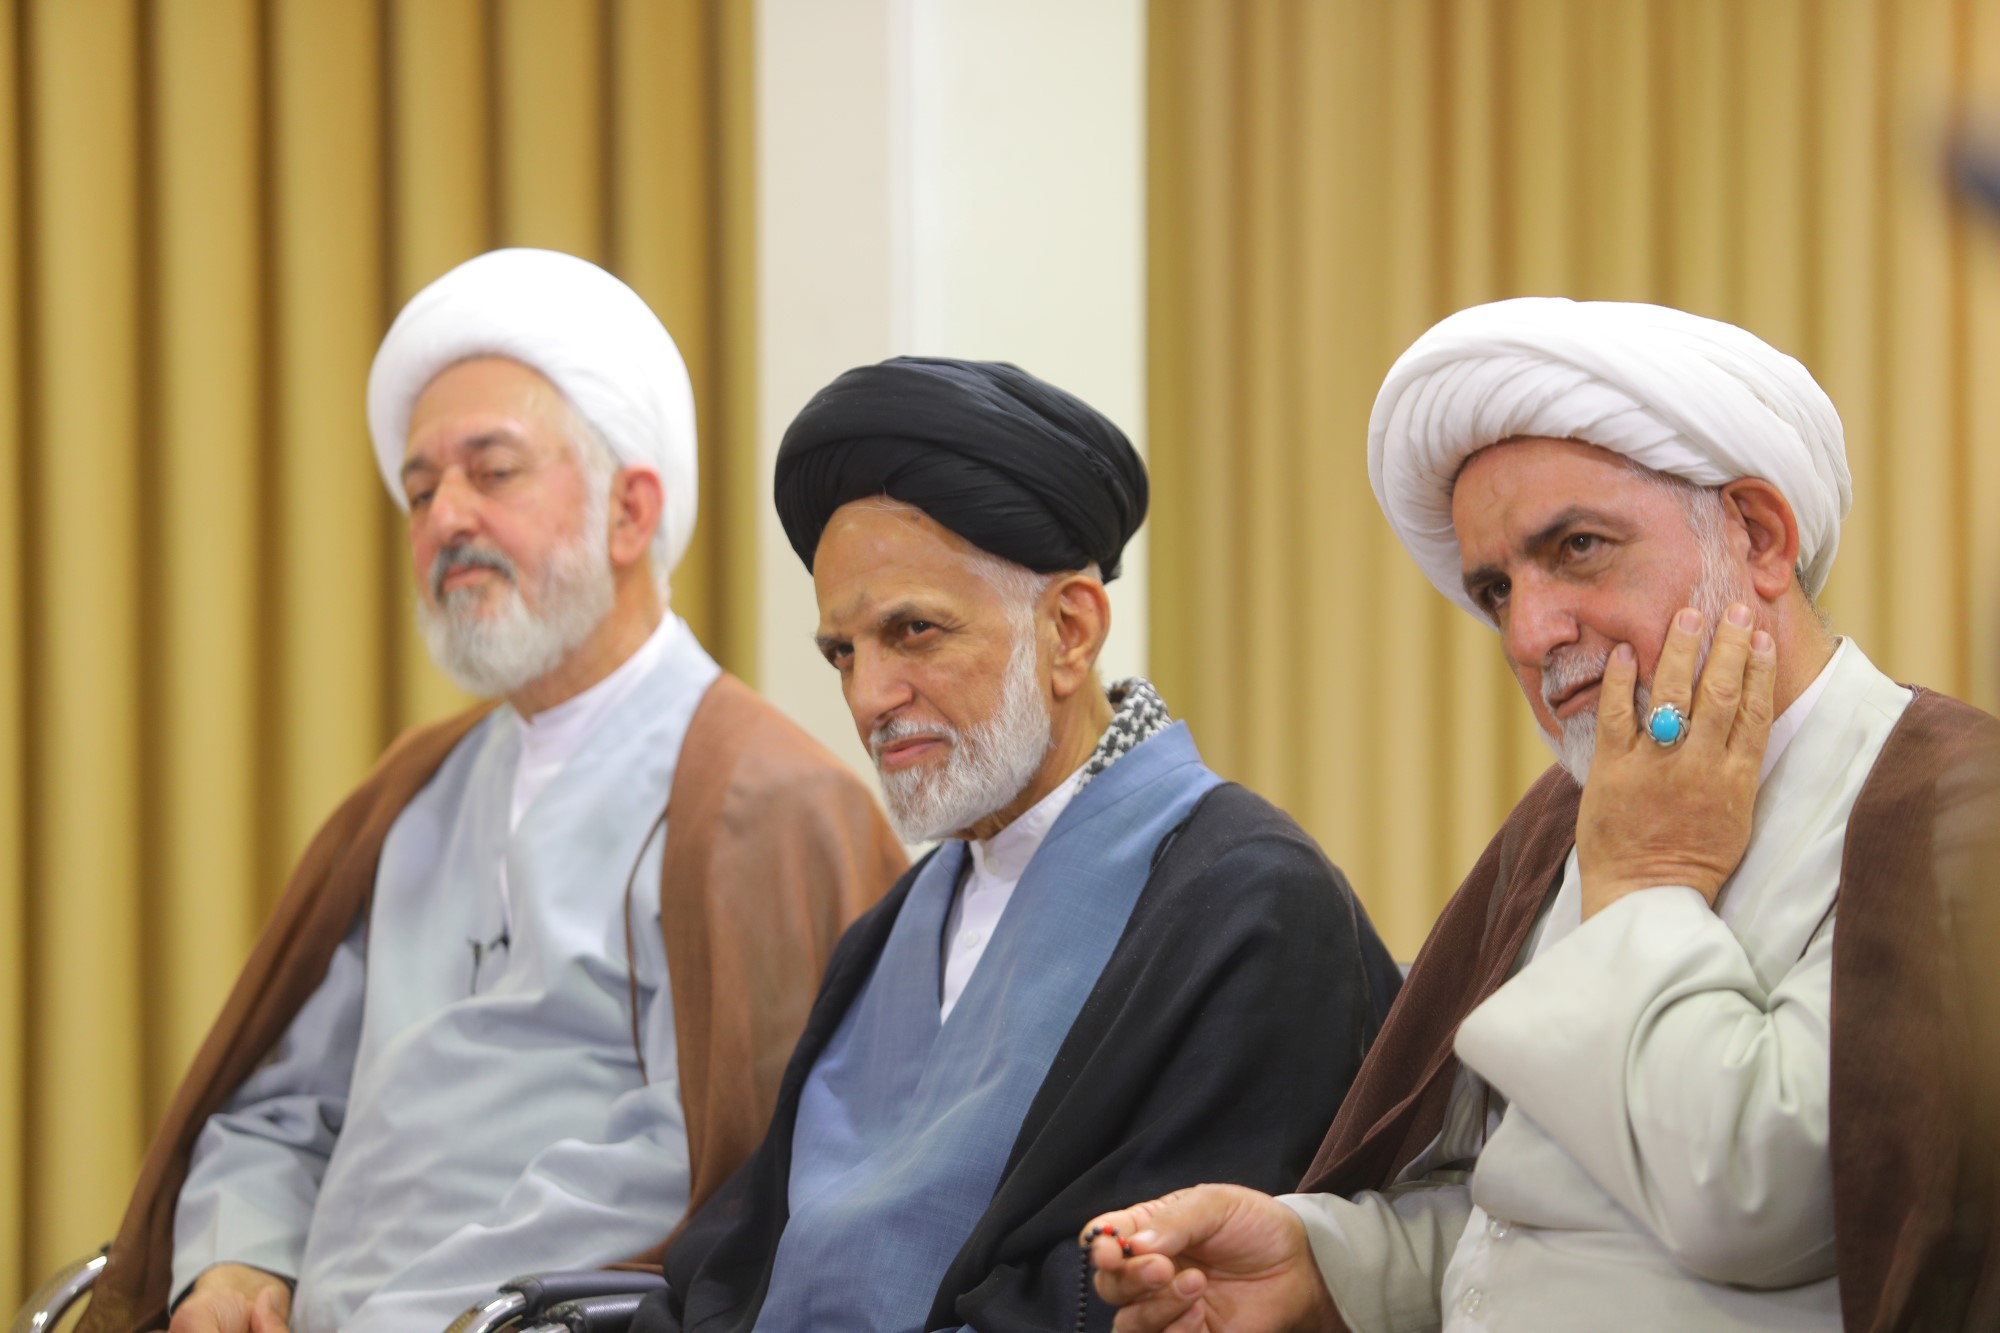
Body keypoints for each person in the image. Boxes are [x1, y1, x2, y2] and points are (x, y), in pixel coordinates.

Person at [1085, 298, 2000, 1332]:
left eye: (1577, 547)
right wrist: (1324, 1264)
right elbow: (1545, 1212)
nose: (1528, 632)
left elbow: (1762, 1204)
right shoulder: (1566, 819)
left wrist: (1644, 885)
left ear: (1758, 535)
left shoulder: (1949, 810)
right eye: (1493, 590)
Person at [74, 249, 906, 1333]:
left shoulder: (768, 801)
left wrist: (409, 1315)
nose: (444, 518)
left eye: (492, 471)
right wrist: (237, 1258)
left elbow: (706, 1164)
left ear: (628, 512)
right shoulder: (414, 793)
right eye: (421, 490)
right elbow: (288, 1102)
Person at [628, 357, 1403, 1333]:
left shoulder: (1250, 905)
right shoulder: (894, 927)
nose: (868, 698)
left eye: (914, 631)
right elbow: (736, 1262)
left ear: (1069, 631)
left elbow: (1140, 1291)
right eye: (842, 652)